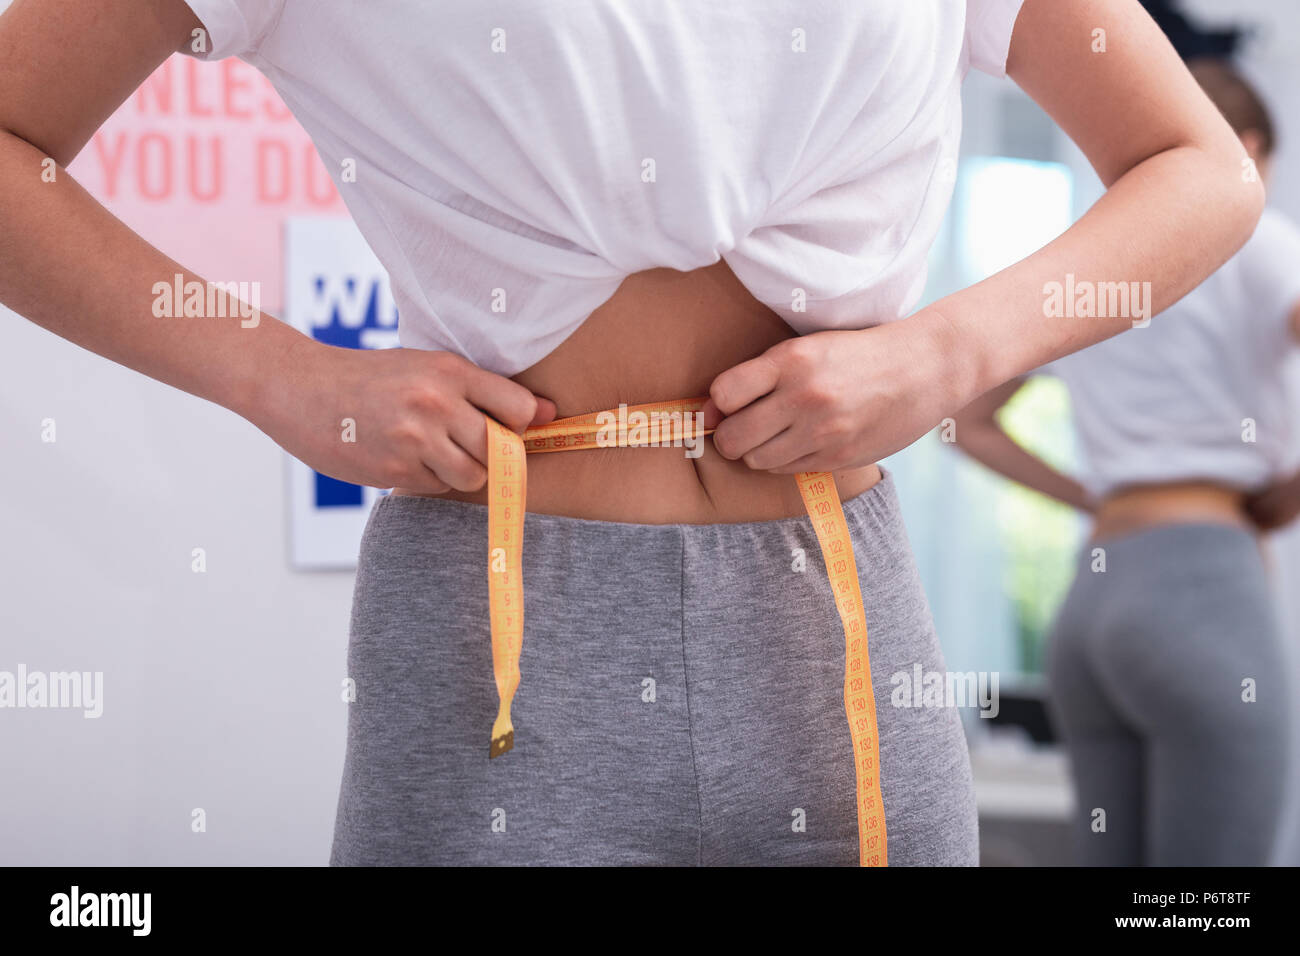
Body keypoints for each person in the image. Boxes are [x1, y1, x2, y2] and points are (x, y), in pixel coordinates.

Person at [0, 0, 1264, 865]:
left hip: (836, 635)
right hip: (496, 642)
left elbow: (1197, 166)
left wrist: (943, 354)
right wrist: (278, 374)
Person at [951, 58, 1298, 866]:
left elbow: (968, 423)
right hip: (1204, 588)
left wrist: (1096, 497)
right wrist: (1287, 492)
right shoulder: (1253, 233)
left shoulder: (1086, 267)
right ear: (1242, 149)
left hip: (1096, 596)